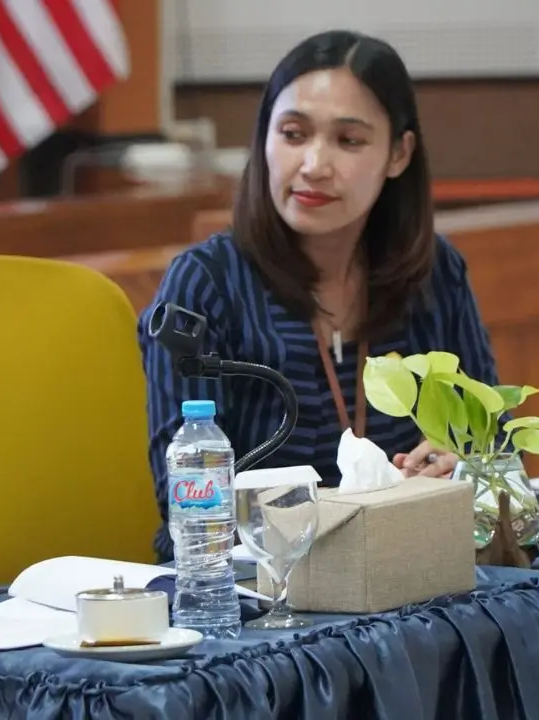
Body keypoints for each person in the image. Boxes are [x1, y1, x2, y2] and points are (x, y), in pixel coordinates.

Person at [139, 30, 501, 562]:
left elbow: (494, 446)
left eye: (348, 141)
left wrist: (461, 466)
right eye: (292, 133)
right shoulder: (204, 284)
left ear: (398, 153)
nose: (313, 164)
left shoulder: (434, 273)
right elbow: (189, 502)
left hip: (412, 575)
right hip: (252, 600)